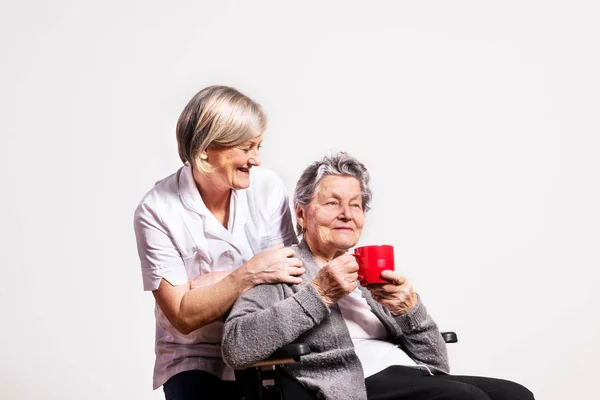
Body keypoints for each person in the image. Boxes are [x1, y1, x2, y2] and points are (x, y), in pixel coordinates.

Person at [222, 152, 534, 400]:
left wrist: (410, 310)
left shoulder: (368, 276)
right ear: (301, 213)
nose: (347, 213)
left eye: (355, 205)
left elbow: (437, 364)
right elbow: (236, 347)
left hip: (411, 375)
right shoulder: (283, 269)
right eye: (333, 203)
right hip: (352, 383)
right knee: (465, 398)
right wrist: (319, 295)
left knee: (516, 395)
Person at [133, 85, 305, 399]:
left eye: (258, 146)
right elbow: (184, 317)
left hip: (265, 343)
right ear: (204, 151)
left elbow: (289, 278)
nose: (256, 159)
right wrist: (250, 273)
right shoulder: (156, 211)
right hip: (195, 354)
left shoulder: (267, 188)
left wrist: (214, 286)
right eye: (246, 148)